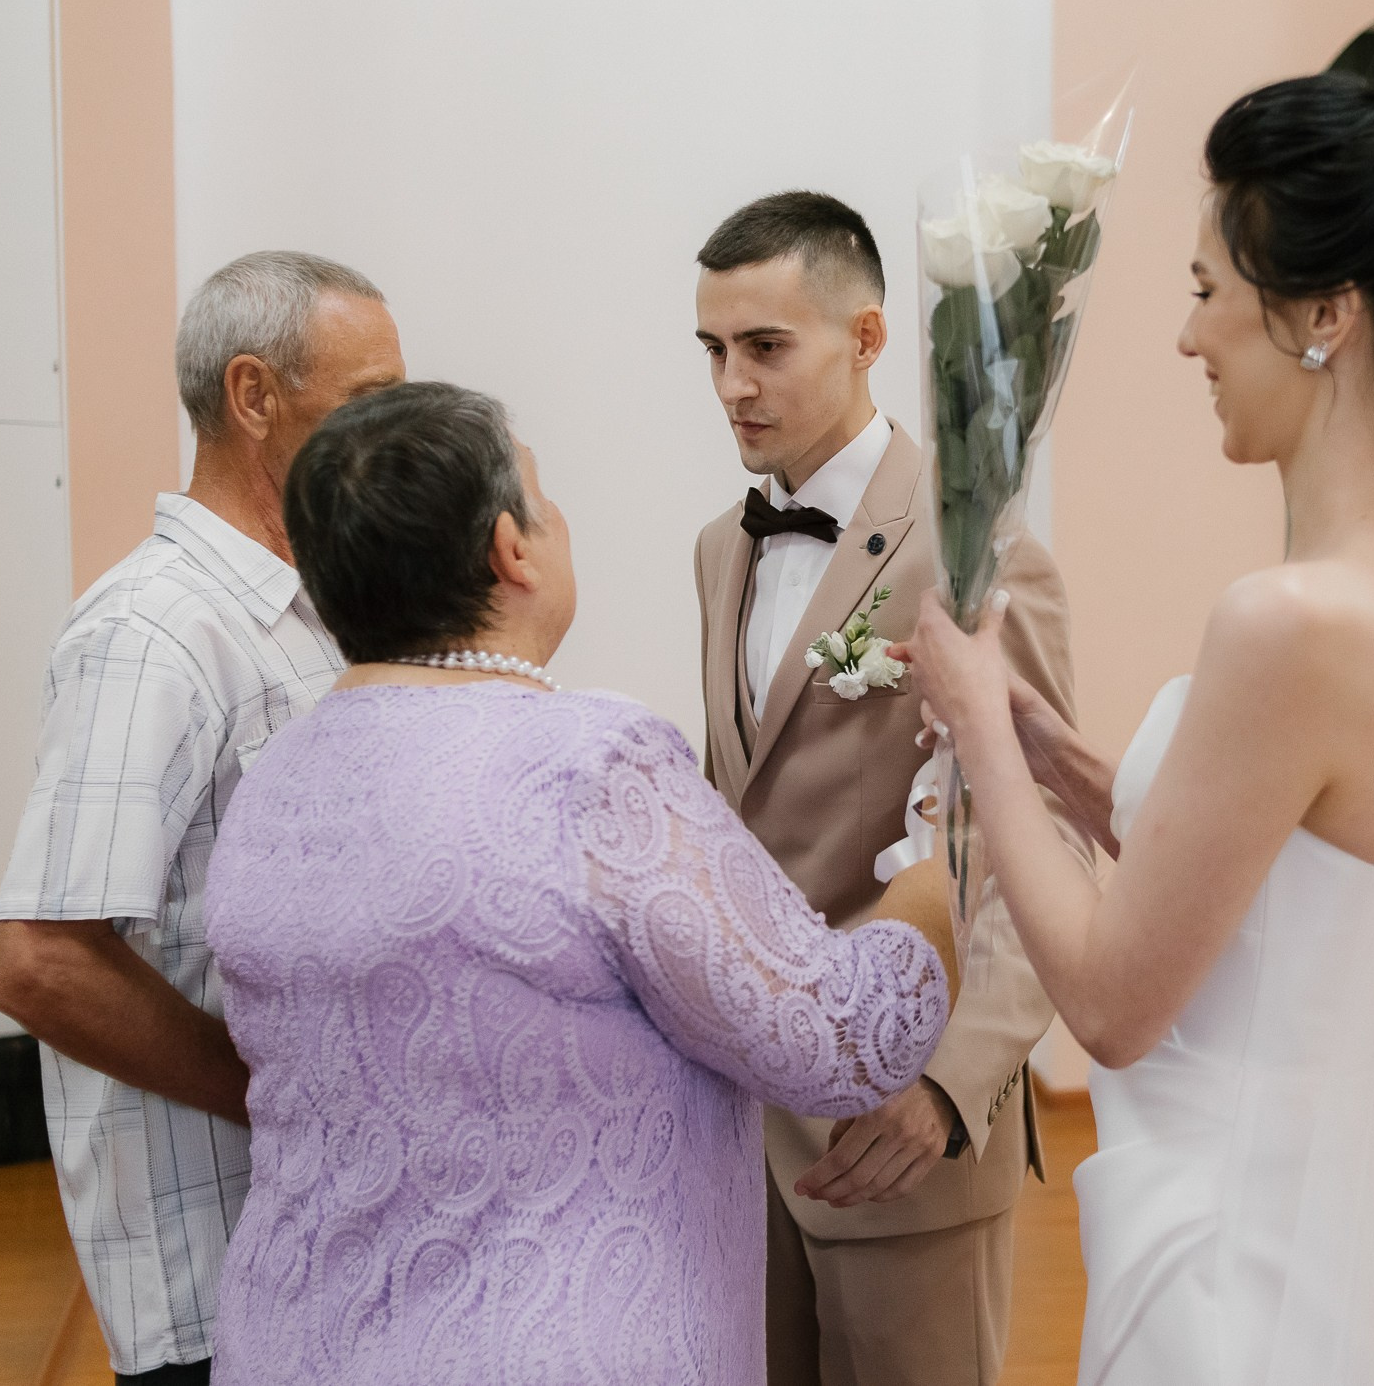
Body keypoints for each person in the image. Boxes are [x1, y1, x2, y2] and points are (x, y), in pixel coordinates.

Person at [899, 32, 1374, 1384]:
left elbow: (1112, 1001)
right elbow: (1275, 875)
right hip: (1325, 1202)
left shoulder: (1288, 620)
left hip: (1232, 1253)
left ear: (1323, 313)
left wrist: (980, 727)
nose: (1187, 335)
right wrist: (1053, 754)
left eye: (1205, 288)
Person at [202, 381, 959, 1385]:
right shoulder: (591, 767)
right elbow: (844, 1039)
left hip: (294, 1344)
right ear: (511, 549)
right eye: (544, 499)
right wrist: (935, 860)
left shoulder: (274, 778)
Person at [0, 251, 403, 1386]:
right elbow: (35, 961)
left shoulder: (309, 607)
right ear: (253, 394)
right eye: (370, 399)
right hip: (214, 1268)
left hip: (316, 1249)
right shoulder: (153, 630)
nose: (397, 430)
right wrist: (277, 1092)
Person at [691, 192, 1088, 1386]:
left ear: (866, 338)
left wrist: (950, 1084)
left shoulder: (977, 543)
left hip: (906, 1135)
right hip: (746, 1140)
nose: (731, 385)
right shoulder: (719, 547)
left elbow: (1049, 837)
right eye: (713, 349)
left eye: (765, 346)